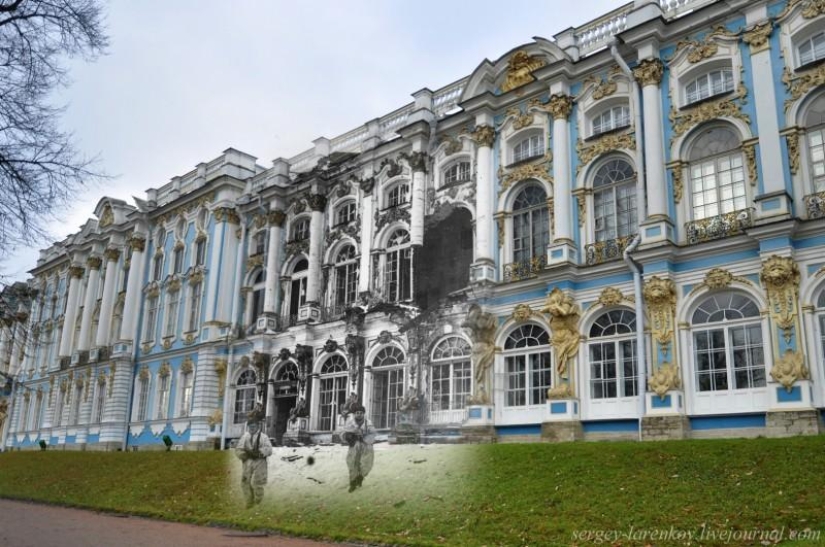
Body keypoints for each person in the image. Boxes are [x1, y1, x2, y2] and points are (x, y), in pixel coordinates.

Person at [235, 408, 272, 508]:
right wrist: (244, 455)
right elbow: (238, 449)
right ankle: (249, 502)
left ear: (258, 426)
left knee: (257, 483)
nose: (252, 428)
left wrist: (260, 452)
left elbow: (269, 450)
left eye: (254, 426)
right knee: (245, 482)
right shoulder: (245, 437)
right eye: (250, 426)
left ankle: (259, 502)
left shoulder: (263, 437)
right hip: (247, 462)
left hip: (260, 462)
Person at [341, 404, 375, 493]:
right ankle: (352, 483)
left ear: (363, 414)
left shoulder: (368, 423)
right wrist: (348, 436)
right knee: (352, 463)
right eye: (357, 413)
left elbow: (373, 434)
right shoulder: (350, 422)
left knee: (366, 463)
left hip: (365, 445)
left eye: (361, 413)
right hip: (354, 445)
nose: (359, 414)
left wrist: (365, 438)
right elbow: (343, 433)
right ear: (354, 414)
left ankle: (361, 477)